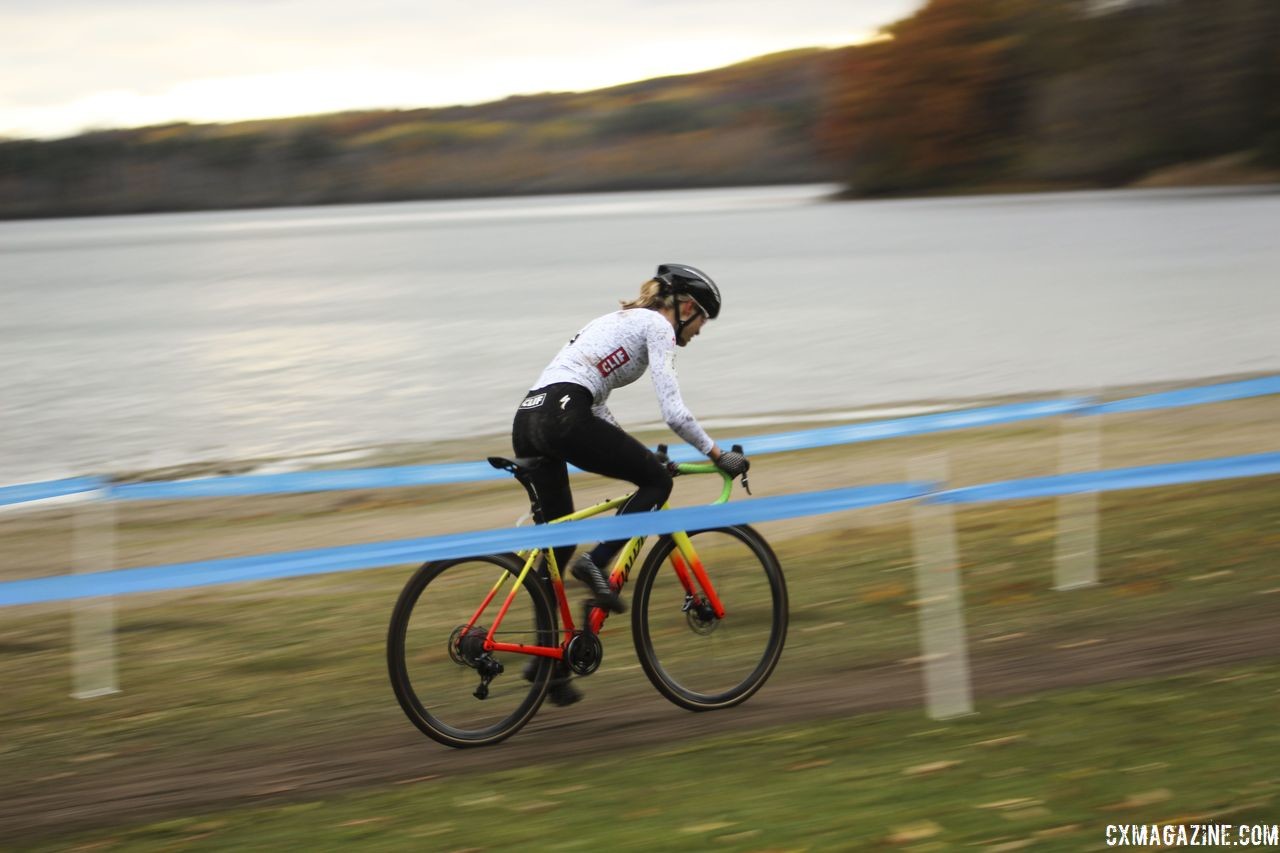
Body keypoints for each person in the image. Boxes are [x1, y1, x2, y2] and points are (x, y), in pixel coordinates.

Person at [512, 263, 748, 705]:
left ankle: (549, 662)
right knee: (655, 483)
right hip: (564, 413)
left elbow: (594, 404)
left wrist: (639, 454)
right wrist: (718, 454)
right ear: (685, 308)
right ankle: (597, 564)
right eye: (701, 322)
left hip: (530, 417)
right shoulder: (657, 326)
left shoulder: (616, 321)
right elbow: (674, 413)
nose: (698, 333)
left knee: (557, 542)